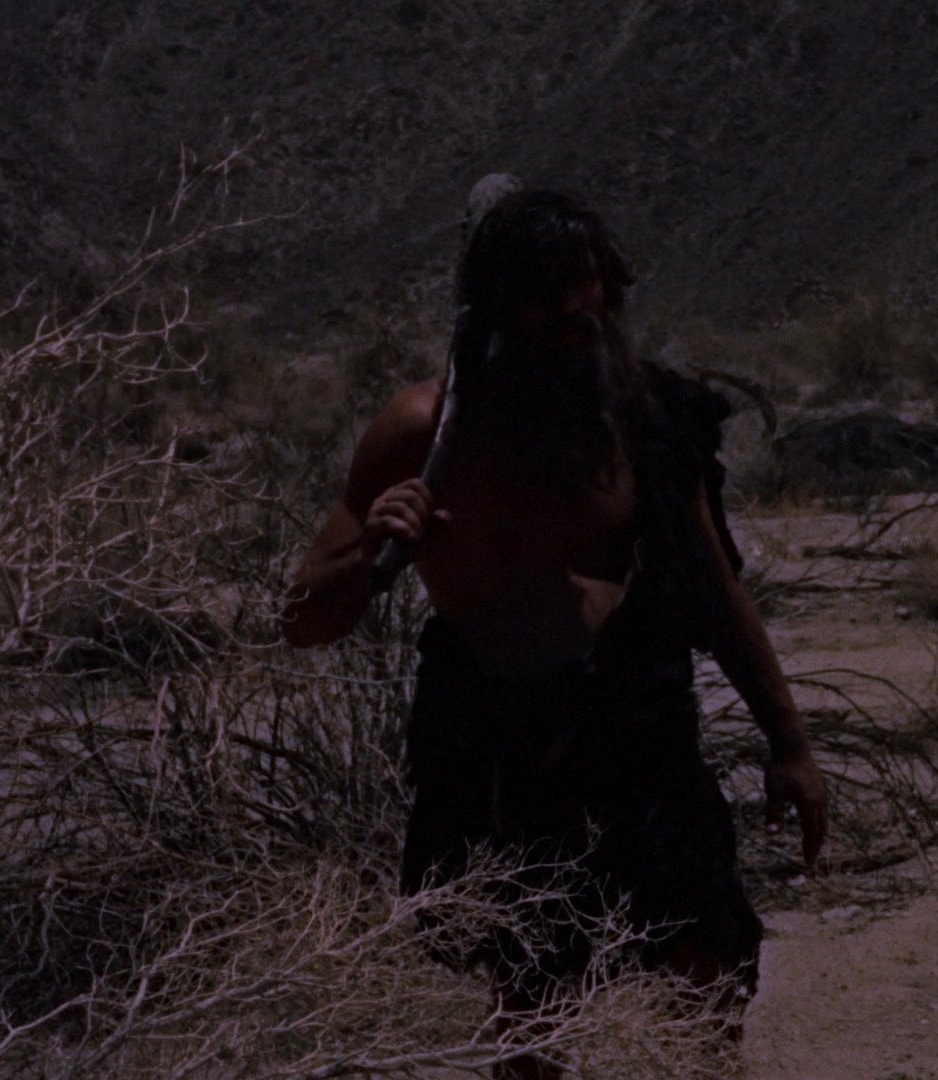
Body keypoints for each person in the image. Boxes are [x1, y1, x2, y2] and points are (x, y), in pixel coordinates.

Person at [282, 186, 826, 1072]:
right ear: (498, 307)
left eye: (584, 281)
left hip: (644, 735)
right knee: (533, 996)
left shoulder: (651, 421)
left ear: (611, 284)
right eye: (543, 291)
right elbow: (303, 621)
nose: (572, 308)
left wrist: (790, 743)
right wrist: (370, 547)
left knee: (709, 963)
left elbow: (714, 589)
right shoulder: (422, 435)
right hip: (507, 756)